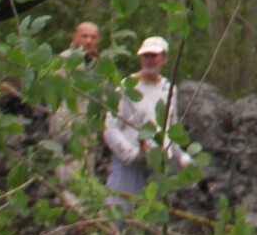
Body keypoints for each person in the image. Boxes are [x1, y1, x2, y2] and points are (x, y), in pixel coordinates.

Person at [104, 36, 194, 204]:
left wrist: (182, 158)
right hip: (129, 166)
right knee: (119, 214)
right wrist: (131, 154)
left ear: (164, 58)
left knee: (152, 217)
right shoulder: (127, 86)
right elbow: (110, 127)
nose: (150, 61)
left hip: (157, 166)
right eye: (146, 56)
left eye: (154, 56)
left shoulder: (168, 89)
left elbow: (170, 129)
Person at [49, 21, 104, 191]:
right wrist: (63, 132)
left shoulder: (98, 65)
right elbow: (55, 100)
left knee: (87, 180)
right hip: (68, 130)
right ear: (74, 37)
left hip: (89, 133)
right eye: (84, 36)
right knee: (68, 181)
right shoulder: (63, 62)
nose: (88, 41)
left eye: (93, 37)